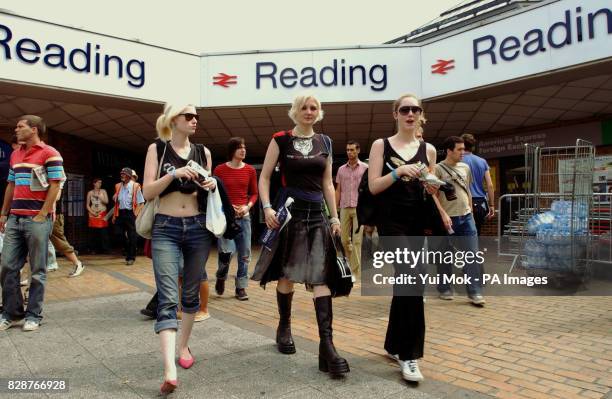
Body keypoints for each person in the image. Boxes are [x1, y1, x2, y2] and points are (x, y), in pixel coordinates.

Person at [252, 93, 350, 377]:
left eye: (314, 107)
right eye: (304, 107)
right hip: (289, 212)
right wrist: (267, 207)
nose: (309, 111)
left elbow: (328, 183)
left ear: (319, 112)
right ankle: (284, 326)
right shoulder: (280, 139)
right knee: (287, 273)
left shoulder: (326, 142)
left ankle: (327, 346)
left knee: (321, 276)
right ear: (295, 111)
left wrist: (334, 216)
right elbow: (266, 176)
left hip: (317, 214)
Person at [142, 103, 216, 394]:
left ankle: (183, 346)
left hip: (198, 227)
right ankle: (169, 369)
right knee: (168, 295)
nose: (194, 120)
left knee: (191, 292)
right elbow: (148, 191)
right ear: (174, 120)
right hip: (166, 228)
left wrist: (210, 183)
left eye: (196, 116)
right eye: (189, 115)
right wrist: (174, 174)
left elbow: (208, 190)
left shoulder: (203, 152)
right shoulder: (157, 150)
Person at [367, 94, 439, 382]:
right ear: (396, 114)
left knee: (406, 283)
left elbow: (429, 187)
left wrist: (432, 187)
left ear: (421, 115)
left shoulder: (429, 150)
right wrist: (397, 172)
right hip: (391, 222)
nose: (410, 113)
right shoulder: (380, 145)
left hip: (416, 223)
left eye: (415, 109)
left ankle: (394, 345)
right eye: (405, 109)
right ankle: (410, 355)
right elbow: (373, 186)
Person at [0, 115, 65, 332]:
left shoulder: (50, 153)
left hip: (36, 218)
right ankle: (12, 312)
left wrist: (42, 214)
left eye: (20, 127)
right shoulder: (15, 154)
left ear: (34, 129)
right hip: (15, 217)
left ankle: (34, 314)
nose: (16, 130)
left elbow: (55, 185)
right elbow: (10, 185)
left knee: (37, 269)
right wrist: (3, 214)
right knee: (8, 266)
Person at [434, 136, 485, 306]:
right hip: (447, 219)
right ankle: (444, 288)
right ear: (449, 151)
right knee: (445, 256)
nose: (463, 152)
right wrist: (442, 214)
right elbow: (432, 194)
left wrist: (469, 208)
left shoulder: (465, 167)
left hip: (466, 217)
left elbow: (467, 189)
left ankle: (474, 292)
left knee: (472, 255)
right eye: (459, 149)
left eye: (464, 149)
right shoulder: (437, 169)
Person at [214, 137, 258, 300]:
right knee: (226, 253)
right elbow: (214, 193)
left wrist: (247, 206)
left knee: (245, 255)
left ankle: (241, 287)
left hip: (244, 218)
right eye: (240, 147)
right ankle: (221, 276)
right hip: (226, 218)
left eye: (245, 147)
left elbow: (254, 193)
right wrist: (228, 206)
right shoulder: (219, 170)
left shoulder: (250, 170)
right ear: (232, 150)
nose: (243, 150)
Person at [335, 140, 367, 277]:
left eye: (352, 150)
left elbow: (368, 189)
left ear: (358, 150)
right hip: (344, 207)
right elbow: (338, 190)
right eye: (348, 150)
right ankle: (349, 262)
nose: (350, 152)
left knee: (357, 240)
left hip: (359, 208)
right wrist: (334, 210)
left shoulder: (365, 168)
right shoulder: (341, 169)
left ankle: (354, 272)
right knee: (343, 240)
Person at [460, 133, 495, 235]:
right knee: (477, 232)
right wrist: (491, 205)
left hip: (463, 201)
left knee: (462, 233)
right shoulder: (482, 161)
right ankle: (475, 250)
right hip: (480, 202)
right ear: (473, 146)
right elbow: (490, 185)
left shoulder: (458, 161)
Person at [49, 185, 85, 277]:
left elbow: (56, 196)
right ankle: (32, 275)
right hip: (42, 215)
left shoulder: (57, 177)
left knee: (60, 242)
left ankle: (78, 264)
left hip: (54, 216)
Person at [112, 167, 144, 265]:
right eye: (121, 174)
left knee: (132, 236)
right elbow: (116, 202)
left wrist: (135, 214)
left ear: (129, 176)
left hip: (130, 213)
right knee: (118, 234)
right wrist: (114, 215)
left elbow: (141, 202)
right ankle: (127, 249)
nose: (122, 175)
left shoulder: (135, 186)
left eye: (124, 174)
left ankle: (131, 257)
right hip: (120, 213)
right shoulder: (118, 186)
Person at [86, 178, 110, 254]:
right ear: (94, 183)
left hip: (102, 212)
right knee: (93, 232)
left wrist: (100, 197)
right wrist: (92, 212)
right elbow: (87, 205)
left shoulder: (103, 191)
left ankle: (105, 249)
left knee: (103, 232)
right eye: (98, 183)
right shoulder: (90, 193)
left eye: (101, 183)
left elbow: (106, 201)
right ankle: (93, 249)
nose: (100, 184)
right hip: (93, 213)